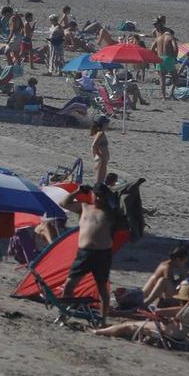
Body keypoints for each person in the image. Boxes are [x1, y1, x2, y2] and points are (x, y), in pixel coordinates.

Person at [60, 184, 118, 324]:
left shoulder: (110, 212)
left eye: (100, 196)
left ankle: (103, 320)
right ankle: (64, 313)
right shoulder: (84, 207)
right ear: (91, 194)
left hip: (102, 255)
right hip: (84, 254)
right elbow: (64, 203)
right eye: (95, 195)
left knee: (102, 288)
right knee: (69, 285)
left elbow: (125, 213)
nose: (97, 198)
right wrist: (78, 191)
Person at [90, 117, 110, 187]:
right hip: (101, 160)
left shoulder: (100, 133)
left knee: (100, 181)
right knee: (99, 182)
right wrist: (99, 155)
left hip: (101, 159)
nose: (108, 125)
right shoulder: (100, 133)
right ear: (103, 124)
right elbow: (93, 145)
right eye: (107, 123)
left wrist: (96, 156)